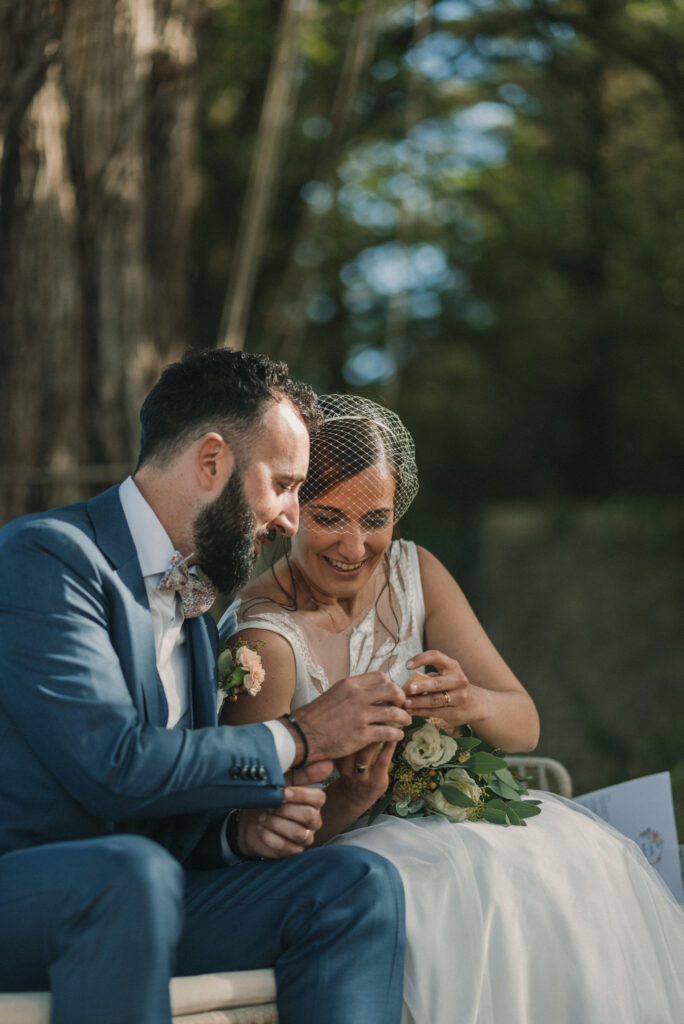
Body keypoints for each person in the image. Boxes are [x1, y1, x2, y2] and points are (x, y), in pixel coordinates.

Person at [221, 393, 684, 1024]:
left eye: (376, 519)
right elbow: (254, 838)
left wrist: (471, 702)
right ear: (292, 507)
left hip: (458, 820)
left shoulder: (416, 572)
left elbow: (524, 725)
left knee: (573, 862)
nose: (355, 547)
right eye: (330, 518)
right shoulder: (264, 642)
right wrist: (352, 796)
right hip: (347, 862)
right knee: (472, 889)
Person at [0, 351, 412, 1024]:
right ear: (212, 461)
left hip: (147, 893)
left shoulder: (195, 607)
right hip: (28, 897)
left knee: (355, 883)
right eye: (284, 485)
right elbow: (112, 767)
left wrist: (236, 836)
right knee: (131, 874)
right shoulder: (47, 557)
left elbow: (157, 807)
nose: (291, 519)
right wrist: (299, 735)